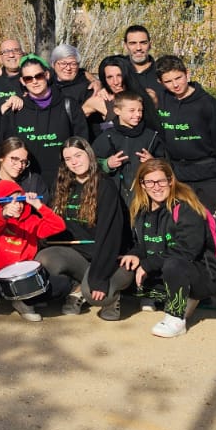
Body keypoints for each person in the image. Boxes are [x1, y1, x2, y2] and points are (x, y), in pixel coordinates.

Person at [153, 54, 216, 317]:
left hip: (209, 178)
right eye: (168, 81)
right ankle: (197, 289)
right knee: (184, 235)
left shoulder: (208, 105)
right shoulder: (164, 101)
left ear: (188, 74)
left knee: (215, 236)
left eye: (178, 78)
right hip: (179, 178)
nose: (175, 85)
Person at [122, 159, 216, 338]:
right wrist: (135, 255)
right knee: (124, 282)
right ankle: (183, 298)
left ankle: (176, 317)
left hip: (202, 273)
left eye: (161, 181)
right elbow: (142, 245)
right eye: (150, 182)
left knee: (174, 264)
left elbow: (187, 250)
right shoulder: (140, 209)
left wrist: (148, 264)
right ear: (142, 185)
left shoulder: (186, 208)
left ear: (171, 181)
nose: (156, 187)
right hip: (163, 270)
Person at [37, 137, 135, 320]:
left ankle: (110, 295)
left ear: (89, 155)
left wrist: (99, 278)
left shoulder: (105, 186)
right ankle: (78, 285)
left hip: (109, 256)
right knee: (44, 258)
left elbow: (109, 237)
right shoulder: (62, 185)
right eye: (68, 159)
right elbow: (52, 223)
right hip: (79, 254)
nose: (74, 162)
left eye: (78, 155)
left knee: (93, 294)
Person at [0, 55, 88, 181]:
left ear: (47, 75)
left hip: (65, 180)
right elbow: (2, 148)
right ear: (23, 81)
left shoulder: (68, 105)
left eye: (39, 76)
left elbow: (83, 142)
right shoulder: (15, 111)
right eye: (28, 78)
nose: (34, 81)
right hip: (27, 182)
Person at [0, 178, 66, 321]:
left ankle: (22, 303)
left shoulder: (32, 221)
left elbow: (59, 226)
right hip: (0, 278)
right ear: (1, 203)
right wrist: (4, 213)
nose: (17, 205)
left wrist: (39, 206)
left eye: (20, 200)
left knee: (61, 285)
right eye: (11, 201)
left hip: (25, 280)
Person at [92, 90, 165, 206]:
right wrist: (107, 164)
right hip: (115, 197)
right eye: (132, 110)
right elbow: (91, 162)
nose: (137, 115)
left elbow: (166, 163)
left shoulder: (151, 136)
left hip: (145, 197)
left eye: (140, 110)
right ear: (117, 111)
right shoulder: (107, 136)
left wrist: (153, 162)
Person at [121, 25, 159, 98]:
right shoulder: (118, 70)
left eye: (143, 43)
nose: (138, 48)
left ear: (150, 45)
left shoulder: (161, 72)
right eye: (133, 43)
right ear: (125, 46)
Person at [0, 38, 25, 105]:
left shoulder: (34, 78)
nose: (11, 55)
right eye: (6, 52)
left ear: (22, 54)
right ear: (0, 58)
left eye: (16, 50)